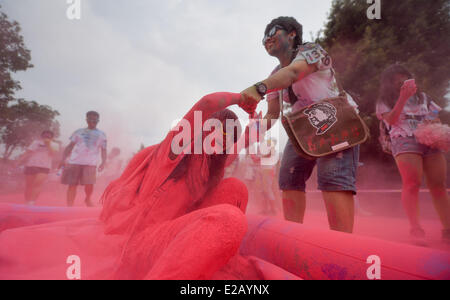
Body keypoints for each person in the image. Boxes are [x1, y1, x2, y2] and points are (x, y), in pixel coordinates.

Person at [0, 92, 276, 280]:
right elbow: (205, 104)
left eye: (229, 133)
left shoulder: (214, 164)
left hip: (172, 236)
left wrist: (254, 121)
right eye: (216, 127)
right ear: (201, 129)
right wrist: (244, 98)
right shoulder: (174, 152)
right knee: (228, 220)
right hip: (139, 243)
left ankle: (206, 255)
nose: (222, 136)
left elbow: (249, 140)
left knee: (236, 188)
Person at [240, 16, 360, 233]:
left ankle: (343, 251)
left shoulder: (311, 50)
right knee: (289, 176)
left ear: (292, 34)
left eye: (272, 32)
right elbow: (272, 115)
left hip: (335, 121)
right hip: (303, 129)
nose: (267, 38)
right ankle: (293, 241)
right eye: (264, 36)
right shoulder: (274, 76)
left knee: (333, 178)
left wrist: (258, 89)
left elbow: (293, 73)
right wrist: (244, 138)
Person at [376, 64, 450, 243]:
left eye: (405, 77)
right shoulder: (384, 101)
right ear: (389, 83)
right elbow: (392, 120)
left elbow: (434, 114)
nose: (401, 81)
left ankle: (448, 229)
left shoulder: (424, 97)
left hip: (429, 140)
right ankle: (415, 229)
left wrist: (434, 126)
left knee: (438, 184)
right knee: (412, 183)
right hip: (404, 139)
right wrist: (402, 98)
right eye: (397, 79)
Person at [59, 111, 107, 207]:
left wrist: (103, 162)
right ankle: (69, 206)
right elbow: (69, 146)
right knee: (72, 184)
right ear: (86, 119)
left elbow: (104, 149)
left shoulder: (102, 134)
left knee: (89, 184)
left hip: (91, 163)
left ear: (98, 121)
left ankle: (88, 198)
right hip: (75, 161)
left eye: (94, 119)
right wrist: (63, 159)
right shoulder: (78, 132)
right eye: (90, 118)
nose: (92, 120)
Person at [16, 130, 59, 205]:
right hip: (31, 165)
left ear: (52, 137)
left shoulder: (55, 144)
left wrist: (48, 144)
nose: (46, 137)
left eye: (49, 136)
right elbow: (28, 152)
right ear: (42, 136)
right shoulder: (35, 143)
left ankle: (32, 202)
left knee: (38, 183)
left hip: (44, 166)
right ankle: (27, 201)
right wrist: (19, 161)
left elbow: (53, 154)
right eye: (45, 135)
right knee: (29, 185)